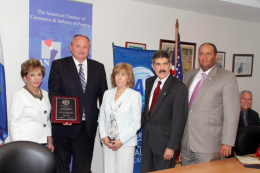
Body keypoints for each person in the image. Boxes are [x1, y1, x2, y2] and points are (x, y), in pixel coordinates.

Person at [48, 35, 108, 173]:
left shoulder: (98, 68)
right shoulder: (59, 65)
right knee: (61, 167)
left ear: (89, 49)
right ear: (71, 48)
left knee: (83, 169)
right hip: (63, 128)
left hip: (86, 128)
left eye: (85, 47)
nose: (81, 49)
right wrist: (65, 117)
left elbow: (104, 97)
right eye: (78, 46)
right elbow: (54, 93)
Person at [181, 43, 240, 166]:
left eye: (209, 54)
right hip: (187, 142)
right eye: (201, 53)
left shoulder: (227, 77)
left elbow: (232, 113)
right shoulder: (188, 76)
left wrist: (227, 142)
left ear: (216, 56)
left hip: (210, 144)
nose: (204, 57)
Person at [140, 50, 188, 173]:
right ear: (153, 66)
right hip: (147, 143)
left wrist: (172, 147)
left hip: (165, 146)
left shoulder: (179, 87)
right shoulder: (149, 82)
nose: (162, 68)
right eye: (158, 64)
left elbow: (179, 121)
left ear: (170, 65)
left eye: (165, 64)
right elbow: (148, 114)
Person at [98, 63, 141, 173]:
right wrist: (103, 137)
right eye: (116, 74)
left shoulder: (134, 95)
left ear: (129, 78)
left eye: (123, 74)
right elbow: (101, 118)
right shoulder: (107, 94)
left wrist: (121, 140)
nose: (119, 77)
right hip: (108, 142)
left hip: (125, 143)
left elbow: (136, 123)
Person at [9, 58, 54, 152]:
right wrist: (18, 147)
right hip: (25, 144)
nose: (37, 78)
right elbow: (14, 124)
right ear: (25, 78)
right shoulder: (20, 95)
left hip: (42, 143)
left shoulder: (45, 94)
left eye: (39, 74)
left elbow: (47, 120)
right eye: (32, 75)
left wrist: (49, 141)